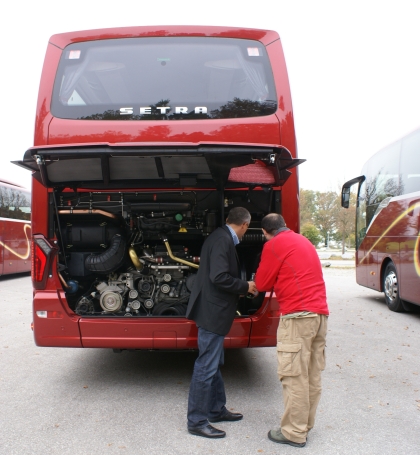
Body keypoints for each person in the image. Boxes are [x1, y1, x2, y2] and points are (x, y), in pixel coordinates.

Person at [255, 213, 329, 448]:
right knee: (311, 374)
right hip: (319, 315)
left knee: (294, 376)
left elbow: (263, 283)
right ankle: (304, 426)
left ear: (265, 232)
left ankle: (293, 433)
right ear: (284, 226)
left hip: (298, 317)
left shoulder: (274, 244)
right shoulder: (303, 241)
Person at [186, 207, 257, 439]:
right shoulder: (223, 240)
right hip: (212, 312)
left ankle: (216, 410)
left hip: (211, 310)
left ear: (229, 220)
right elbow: (219, 277)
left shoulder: (219, 236)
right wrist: (245, 286)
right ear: (245, 225)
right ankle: (197, 421)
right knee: (206, 366)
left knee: (213, 362)